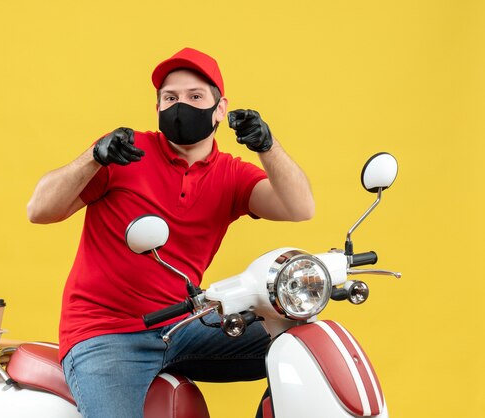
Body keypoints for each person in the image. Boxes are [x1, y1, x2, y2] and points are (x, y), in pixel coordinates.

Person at [27, 47, 314, 418]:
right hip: (105, 333)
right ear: (158, 107)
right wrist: (94, 156)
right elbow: (39, 211)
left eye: (195, 97)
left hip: (184, 325)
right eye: (170, 98)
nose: (182, 106)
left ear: (220, 108)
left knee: (300, 347)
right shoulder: (126, 154)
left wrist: (267, 146)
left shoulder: (231, 174)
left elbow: (300, 208)